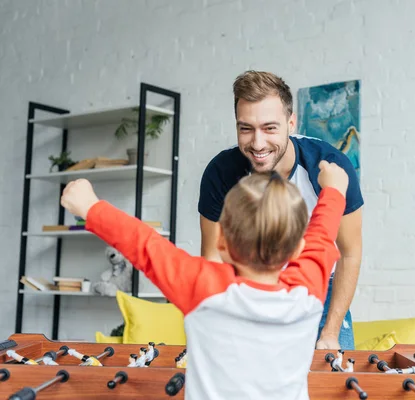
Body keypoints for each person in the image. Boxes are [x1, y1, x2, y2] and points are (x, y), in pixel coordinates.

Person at [60, 160, 349, 400]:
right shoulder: (309, 289)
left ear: (221, 243)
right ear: (298, 249)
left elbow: (146, 246)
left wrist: (90, 206)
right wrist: (334, 189)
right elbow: (321, 233)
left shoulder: (205, 289)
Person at [198, 70, 363, 350]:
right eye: (246, 128)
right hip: (248, 288)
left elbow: (349, 252)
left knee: (330, 383)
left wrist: (330, 333)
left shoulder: (331, 167)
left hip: (318, 290)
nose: (258, 143)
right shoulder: (221, 173)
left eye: (270, 128)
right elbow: (213, 256)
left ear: (291, 123)